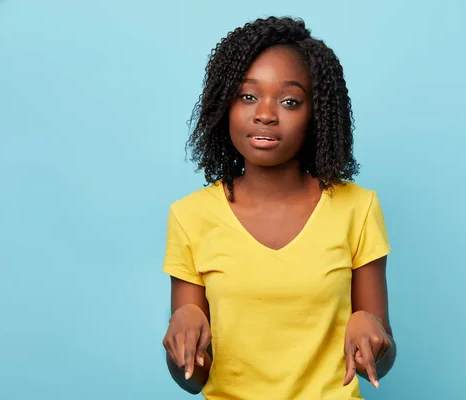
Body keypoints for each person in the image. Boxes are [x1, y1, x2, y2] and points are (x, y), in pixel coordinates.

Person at [161, 16, 396, 400]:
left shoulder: (358, 207)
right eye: (248, 96)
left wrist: (370, 330)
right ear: (225, 105)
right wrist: (181, 337)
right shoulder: (190, 216)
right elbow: (194, 379)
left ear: (316, 114)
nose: (265, 114)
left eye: (289, 101)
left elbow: (381, 358)